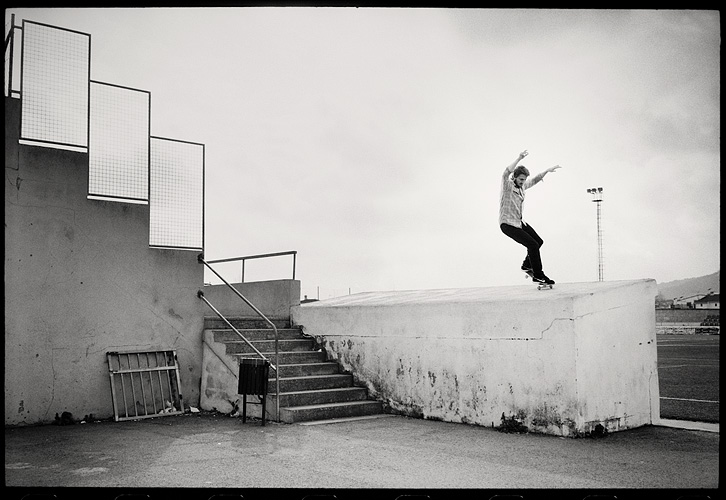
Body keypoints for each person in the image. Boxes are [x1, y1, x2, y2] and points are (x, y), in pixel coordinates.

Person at [499, 150, 561, 285]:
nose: (523, 182)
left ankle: (527, 266)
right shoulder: (507, 186)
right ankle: (538, 275)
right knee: (532, 245)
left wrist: (547, 171)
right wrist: (519, 158)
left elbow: (534, 181)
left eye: (524, 180)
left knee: (538, 242)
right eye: (521, 179)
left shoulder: (522, 187)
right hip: (507, 225)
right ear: (514, 177)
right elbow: (506, 172)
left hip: (519, 222)